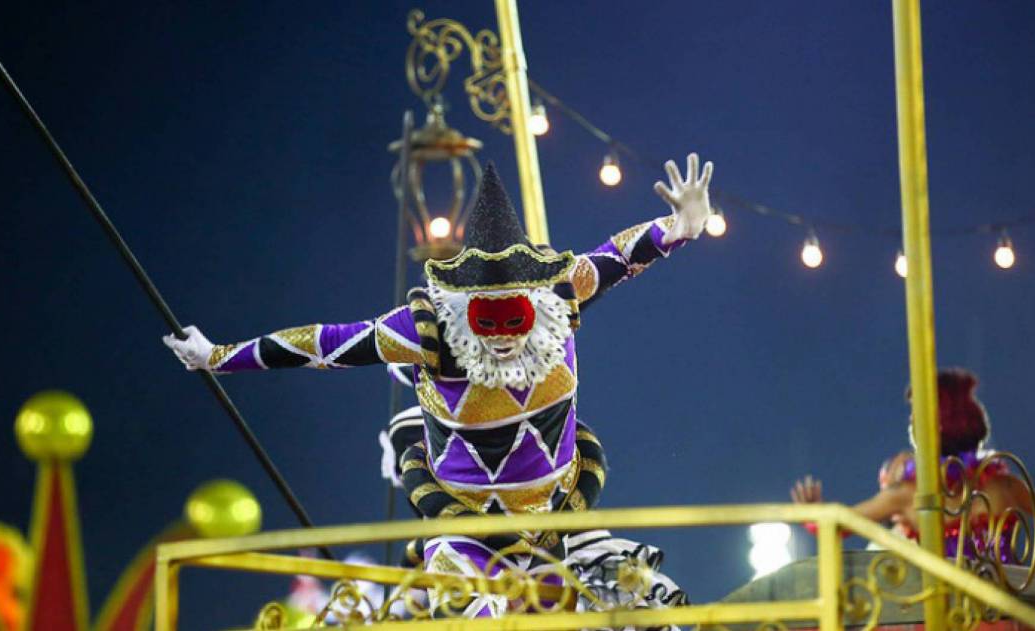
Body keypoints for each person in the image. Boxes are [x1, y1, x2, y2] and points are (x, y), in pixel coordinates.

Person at [164, 156, 713, 616]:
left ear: (535, 303)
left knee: (640, 607)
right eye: (487, 322)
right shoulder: (431, 332)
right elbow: (325, 345)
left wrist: (679, 228)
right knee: (472, 616)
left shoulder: (562, 297)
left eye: (512, 320)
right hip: (467, 537)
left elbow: (619, 255)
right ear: (465, 308)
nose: (501, 338)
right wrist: (216, 356)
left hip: (559, 524)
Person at [791, 368, 1035, 561]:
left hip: (939, 617)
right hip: (1005, 615)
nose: (911, 422)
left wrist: (812, 515)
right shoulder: (1008, 487)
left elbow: (836, 526)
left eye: (916, 415)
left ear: (933, 427)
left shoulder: (908, 494)